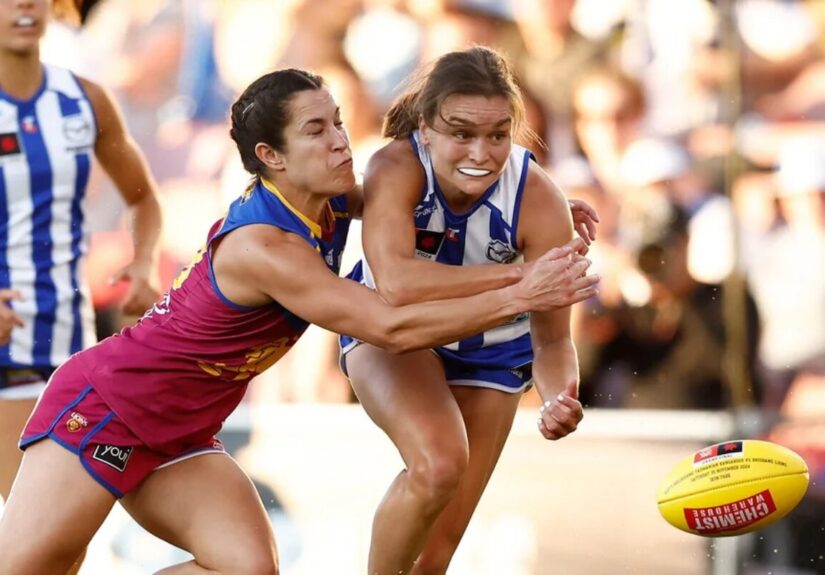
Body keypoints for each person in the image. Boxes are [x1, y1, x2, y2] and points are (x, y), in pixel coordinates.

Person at [0, 64, 599, 574]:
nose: (341, 140)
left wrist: (527, 205)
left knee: (249, 568)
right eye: (317, 130)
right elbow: (389, 325)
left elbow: (427, 192)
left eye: (338, 121)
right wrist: (524, 286)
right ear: (271, 157)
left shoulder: (330, 196)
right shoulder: (265, 247)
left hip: (181, 430)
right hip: (106, 407)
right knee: (33, 567)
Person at [339, 46, 591, 575]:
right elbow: (400, 284)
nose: (481, 152)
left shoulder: (540, 197)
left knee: (436, 554)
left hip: (494, 350)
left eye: (498, 135)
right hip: (400, 334)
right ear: (426, 128)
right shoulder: (395, 165)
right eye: (461, 133)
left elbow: (552, 341)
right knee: (438, 463)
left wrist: (559, 396)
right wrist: (523, 276)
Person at [0, 0, 160, 554]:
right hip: (8, 352)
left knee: (61, 543)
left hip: (72, 349)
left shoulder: (84, 99)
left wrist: (142, 265)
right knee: (35, 539)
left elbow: (143, 200)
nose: (25, 4)